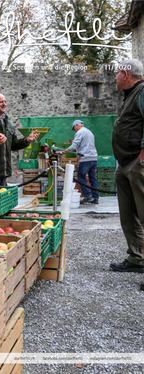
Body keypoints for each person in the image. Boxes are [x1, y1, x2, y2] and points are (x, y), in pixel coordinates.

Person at [110, 58, 144, 277]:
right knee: (128, 214)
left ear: (125, 73)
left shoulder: (142, 92)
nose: (115, 77)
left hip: (137, 162)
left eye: (116, 73)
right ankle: (137, 258)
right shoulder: (129, 95)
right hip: (125, 163)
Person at [64, 119, 99, 204]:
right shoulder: (89, 132)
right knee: (93, 178)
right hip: (93, 158)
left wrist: (66, 150)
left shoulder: (79, 132)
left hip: (85, 158)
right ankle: (95, 197)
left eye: (74, 127)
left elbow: (75, 145)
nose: (75, 129)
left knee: (81, 177)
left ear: (77, 125)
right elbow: (84, 144)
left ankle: (87, 196)